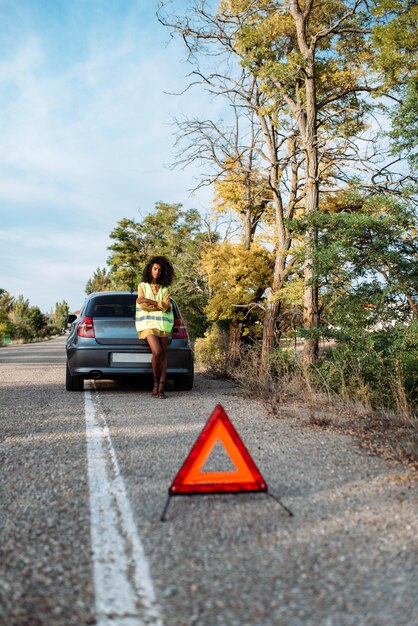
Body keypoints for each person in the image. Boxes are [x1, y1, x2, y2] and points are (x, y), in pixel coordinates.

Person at [135, 256, 174, 399]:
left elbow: (166, 306)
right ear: (150, 270)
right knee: (157, 352)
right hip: (147, 325)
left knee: (164, 354)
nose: (157, 272)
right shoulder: (142, 286)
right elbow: (143, 306)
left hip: (164, 325)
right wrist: (157, 305)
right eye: (154, 269)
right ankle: (155, 384)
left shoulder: (165, 289)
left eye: (159, 270)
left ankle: (162, 388)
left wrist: (147, 300)